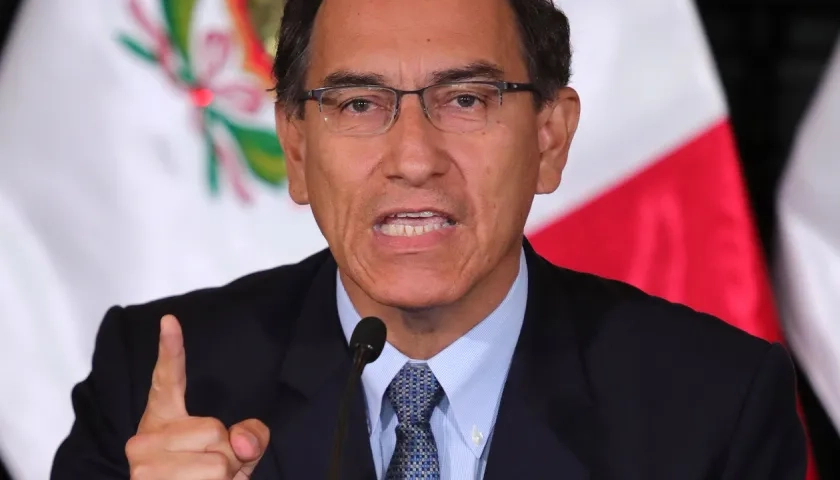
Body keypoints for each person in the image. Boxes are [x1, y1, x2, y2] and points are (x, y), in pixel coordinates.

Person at [51, 0, 807, 478]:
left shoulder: (715, 406)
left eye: (466, 99)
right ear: (297, 148)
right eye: (358, 104)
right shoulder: (159, 391)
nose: (413, 159)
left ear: (549, 137)